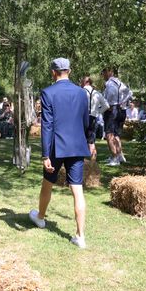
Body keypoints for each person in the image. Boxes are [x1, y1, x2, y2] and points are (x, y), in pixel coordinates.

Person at [29, 58, 96, 249]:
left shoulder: (48, 92)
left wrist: (45, 155)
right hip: (76, 146)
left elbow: (47, 126)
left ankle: (41, 218)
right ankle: (80, 236)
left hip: (56, 147)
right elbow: (86, 121)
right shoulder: (82, 93)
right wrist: (89, 141)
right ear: (70, 71)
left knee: (47, 185)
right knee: (78, 191)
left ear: (53, 72)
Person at [101, 67, 131, 166]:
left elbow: (110, 94)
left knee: (109, 134)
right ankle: (120, 155)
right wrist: (122, 102)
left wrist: (107, 104)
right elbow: (129, 92)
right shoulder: (119, 82)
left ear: (108, 73)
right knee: (116, 135)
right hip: (120, 109)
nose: (103, 76)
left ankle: (114, 158)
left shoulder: (109, 83)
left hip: (111, 109)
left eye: (103, 73)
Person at [80, 76, 109, 145]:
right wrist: (98, 112)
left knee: (82, 141)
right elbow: (107, 106)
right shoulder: (97, 93)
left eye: (81, 81)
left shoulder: (80, 92)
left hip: (82, 118)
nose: (80, 83)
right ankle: (92, 155)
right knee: (91, 142)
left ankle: (84, 155)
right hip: (93, 117)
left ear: (85, 82)